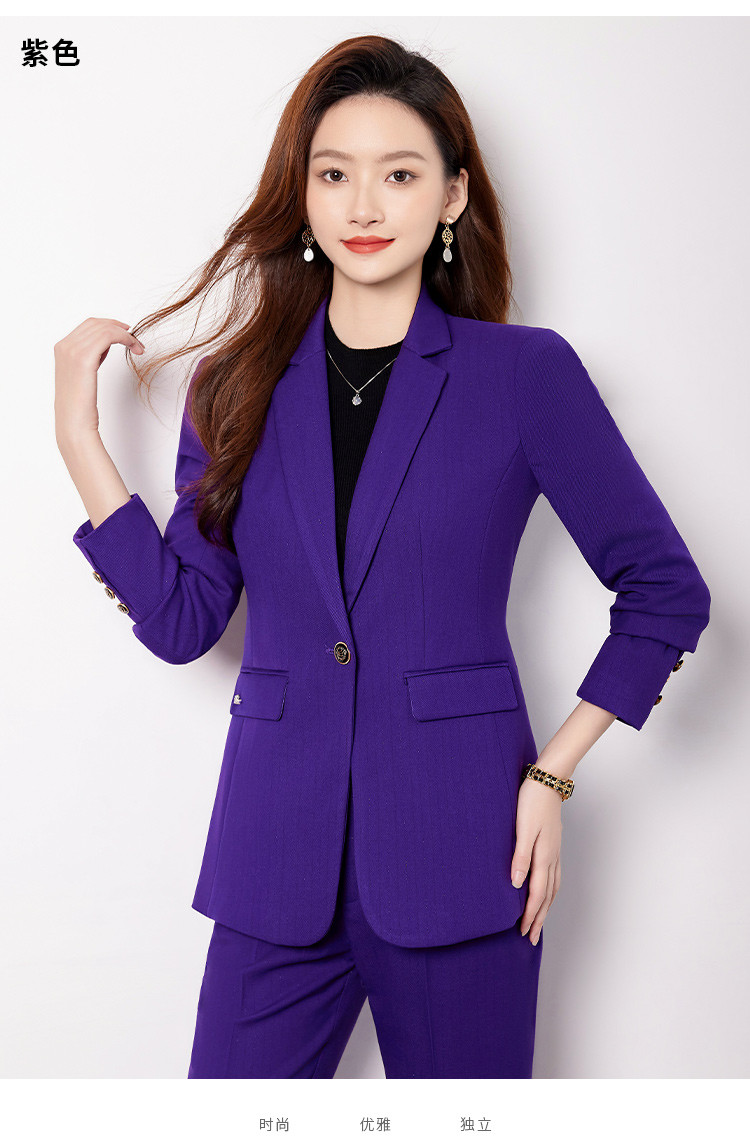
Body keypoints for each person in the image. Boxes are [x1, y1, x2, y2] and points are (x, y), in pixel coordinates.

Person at [54, 35, 711, 1079]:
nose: (363, 205)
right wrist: (80, 440)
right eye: (334, 174)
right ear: (302, 196)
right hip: (275, 861)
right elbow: (183, 623)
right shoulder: (233, 386)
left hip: (469, 849)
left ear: (452, 196)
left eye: (399, 175)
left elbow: (666, 590)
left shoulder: (521, 375)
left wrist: (553, 773)